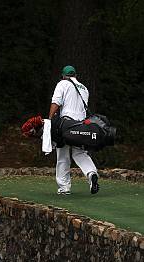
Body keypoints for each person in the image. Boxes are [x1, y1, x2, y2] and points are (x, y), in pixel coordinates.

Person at [48, 65, 99, 195]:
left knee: (63, 155)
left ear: (63, 75)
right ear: (75, 75)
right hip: (81, 125)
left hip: (66, 124)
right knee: (80, 153)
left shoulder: (63, 84)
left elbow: (56, 102)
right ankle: (91, 173)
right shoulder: (84, 88)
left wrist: (50, 118)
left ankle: (64, 187)